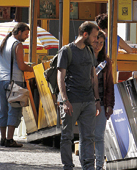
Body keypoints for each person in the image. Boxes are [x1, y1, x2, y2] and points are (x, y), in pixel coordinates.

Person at [57, 21, 101, 170]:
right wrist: (65, 100)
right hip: (71, 100)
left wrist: (96, 99)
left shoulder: (90, 51)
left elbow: (93, 77)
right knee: (67, 136)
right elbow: (60, 77)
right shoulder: (66, 51)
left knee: (88, 137)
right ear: (85, 34)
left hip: (88, 100)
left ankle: (88, 167)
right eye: (94, 37)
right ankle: (68, 166)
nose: (96, 40)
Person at [0, 22, 33, 147]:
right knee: (14, 110)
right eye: (26, 34)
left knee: (3, 110)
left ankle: (2, 138)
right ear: (19, 32)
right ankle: (10, 139)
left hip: (1, 80)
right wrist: (32, 68)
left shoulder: (1, 42)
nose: (27, 36)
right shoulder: (18, 45)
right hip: (14, 81)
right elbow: (21, 66)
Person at [92, 31, 115, 170]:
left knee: (99, 136)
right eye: (96, 42)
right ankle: (87, 164)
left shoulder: (106, 61)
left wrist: (110, 105)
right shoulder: (86, 58)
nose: (98, 45)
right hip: (86, 101)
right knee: (87, 136)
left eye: (101, 43)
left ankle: (99, 165)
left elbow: (110, 85)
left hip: (101, 102)